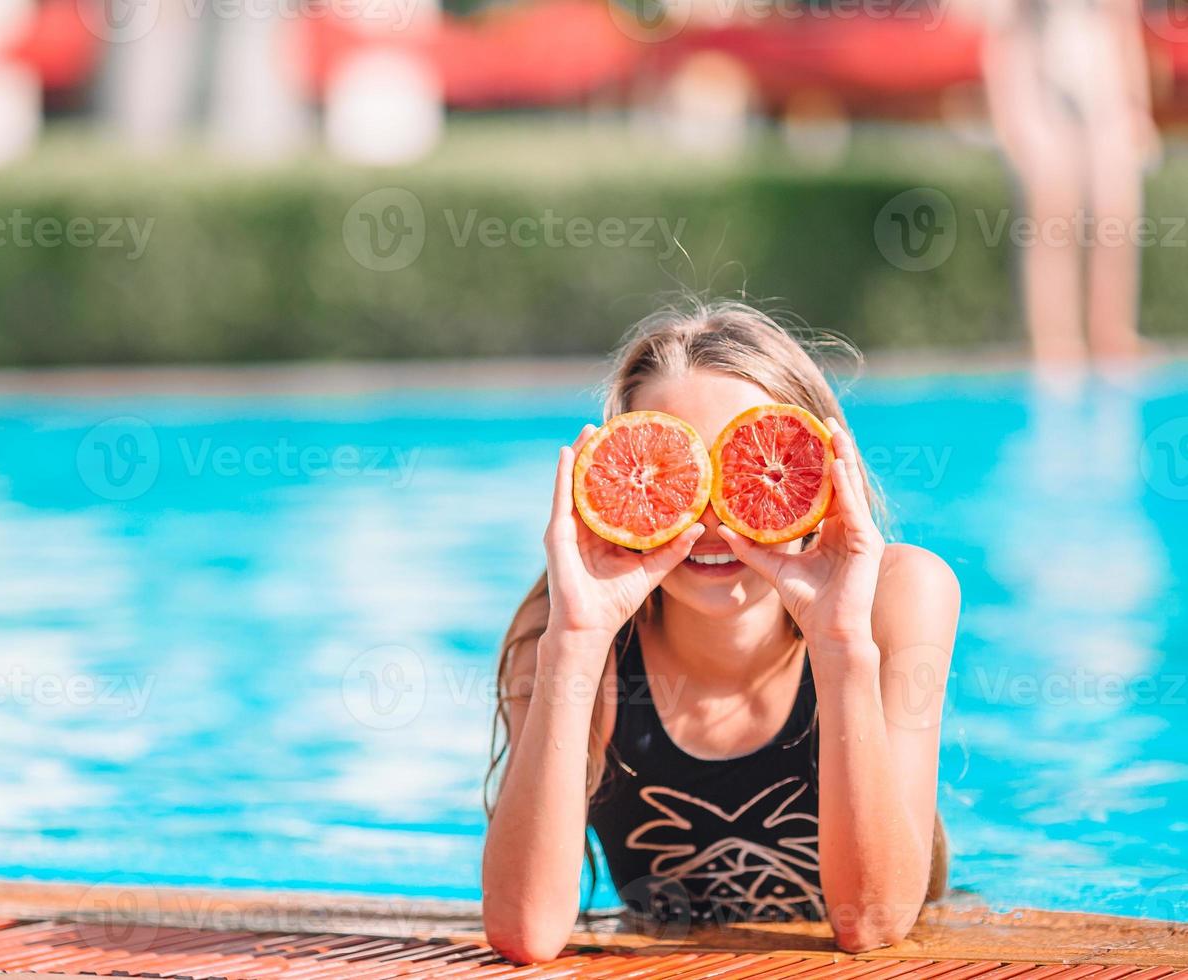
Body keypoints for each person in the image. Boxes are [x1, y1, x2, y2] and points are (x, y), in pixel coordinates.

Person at [481, 301, 959, 963]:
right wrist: (578, 640)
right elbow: (524, 932)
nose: (712, 517)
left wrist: (841, 639)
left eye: (750, 467)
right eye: (674, 476)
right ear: (621, 484)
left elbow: (873, 926)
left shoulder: (896, 596)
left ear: (818, 470)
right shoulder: (559, 634)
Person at [982, 0, 1160, 364]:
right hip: (1038, 83)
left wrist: (1138, 107)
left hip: (1103, 81)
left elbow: (1122, 27)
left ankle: (1112, 334)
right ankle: (1056, 343)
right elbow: (1003, 37)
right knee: (1051, 213)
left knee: (1117, 210)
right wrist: (1011, 119)